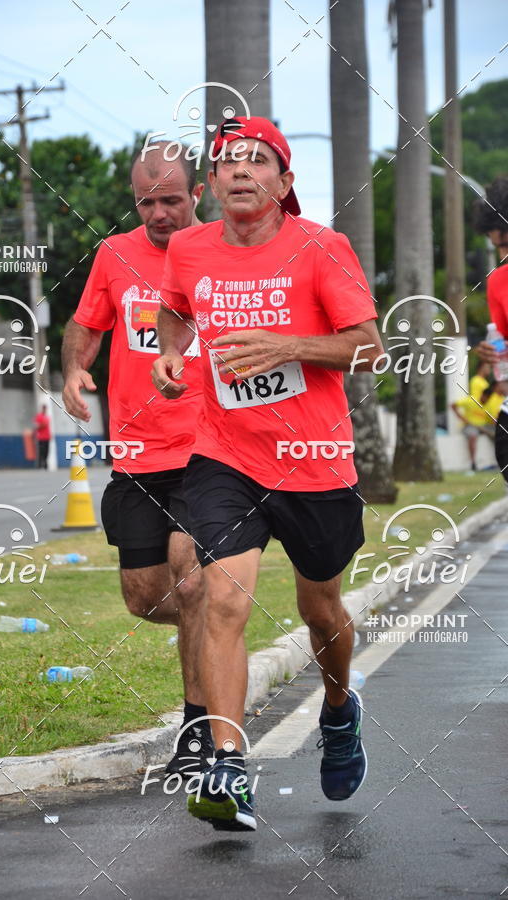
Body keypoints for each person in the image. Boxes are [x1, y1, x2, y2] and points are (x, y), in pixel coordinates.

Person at [153, 116, 383, 831]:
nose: (241, 170)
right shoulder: (189, 247)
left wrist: (289, 344)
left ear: (285, 183)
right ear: (213, 183)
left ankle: (340, 711)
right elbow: (172, 312)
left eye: (258, 161)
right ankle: (227, 762)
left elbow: (369, 348)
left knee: (321, 612)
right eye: (227, 161)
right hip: (225, 455)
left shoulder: (323, 248)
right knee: (219, 599)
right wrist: (170, 356)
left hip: (314, 462)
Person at [61, 143, 212, 775]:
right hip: (136, 451)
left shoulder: (222, 255)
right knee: (146, 597)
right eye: (146, 202)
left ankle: (199, 725)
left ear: (197, 195)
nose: (157, 213)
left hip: (208, 448)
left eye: (170, 199)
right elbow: (87, 322)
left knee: (191, 574)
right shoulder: (114, 254)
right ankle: (220, 628)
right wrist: (72, 369)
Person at [473, 177, 508, 482]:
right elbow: (501, 343)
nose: (502, 256)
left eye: (506, 245)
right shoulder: (498, 282)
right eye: (498, 247)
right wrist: (491, 351)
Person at [451, 363, 491, 470]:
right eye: (487, 367)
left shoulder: (487, 398)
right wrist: (462, 418)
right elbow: (453, 405)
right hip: (472, 425)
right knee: (472, 435)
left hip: (483, 425)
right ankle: (473, 464)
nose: (489, 370)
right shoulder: (474, 388)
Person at [33, 405, 51, 469]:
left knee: (47, 451)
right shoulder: (38, 417)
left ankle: (45, 465)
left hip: (47, 437)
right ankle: (40, 465)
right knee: (41, 451)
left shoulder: (47, 417)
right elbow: (36, 426)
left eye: (45, 409)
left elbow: (48, 427)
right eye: (43, 409)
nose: (44, 410)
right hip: (41, 438)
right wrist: (42, 424)